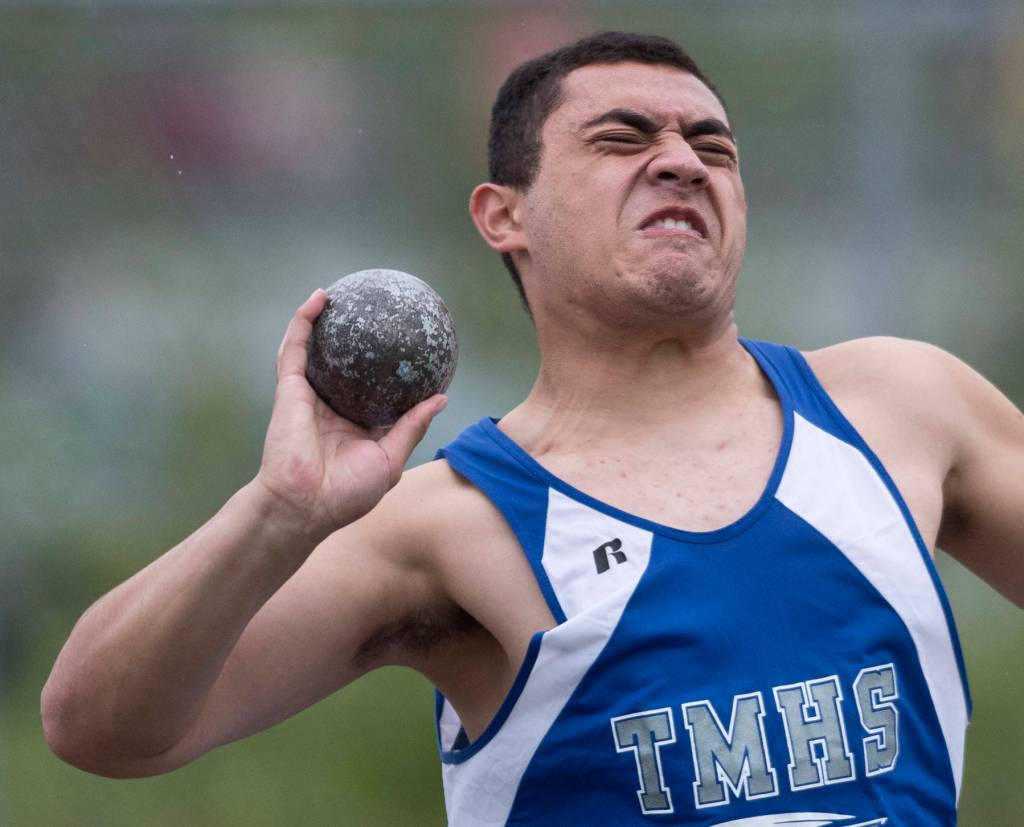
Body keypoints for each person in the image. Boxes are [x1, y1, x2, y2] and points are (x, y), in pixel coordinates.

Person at [42, 32, 1022, 826]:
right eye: (621, 138)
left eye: (712, 147)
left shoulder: (901, 407)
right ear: (504, 214)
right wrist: (278, 512)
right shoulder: (448, 528)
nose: (681, 161)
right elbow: (98, 727)